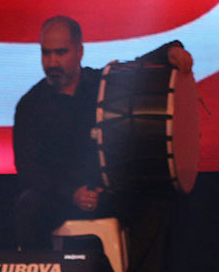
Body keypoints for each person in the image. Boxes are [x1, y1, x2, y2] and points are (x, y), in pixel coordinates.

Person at [12, 15, 193, 272]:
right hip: (60, 198)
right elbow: (28, 169)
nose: (52, 62)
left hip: (107, 193)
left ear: (79, 51)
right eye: (46, 53)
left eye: (61, 53)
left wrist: (170, 51)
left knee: (158, 200)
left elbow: (137, 68)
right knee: (28, 205)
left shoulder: (101, 84)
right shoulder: (30, 105)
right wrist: (72, 194)